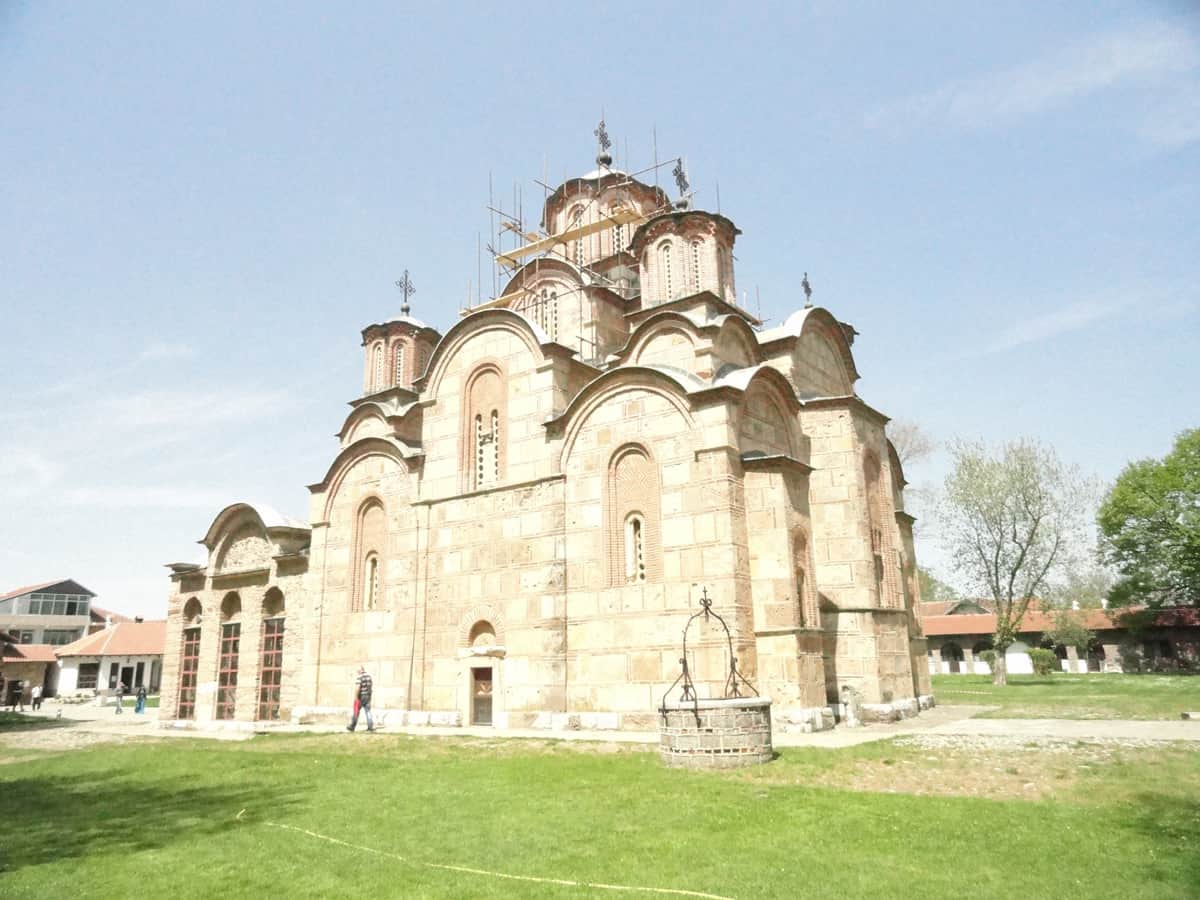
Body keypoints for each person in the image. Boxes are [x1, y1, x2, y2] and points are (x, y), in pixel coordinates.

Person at [347, 665, 373, 732]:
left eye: (358, 671)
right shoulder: (369, 677)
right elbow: (370, 687)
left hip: (361, 697)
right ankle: (370, 727)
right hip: (367, 696)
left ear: (360, 670)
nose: (357, 672)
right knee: (368, 711)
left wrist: (356, 697)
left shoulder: (359, 677)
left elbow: (357, 688)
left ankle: (352, 726)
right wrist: (369, 696)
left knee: (356, 712)